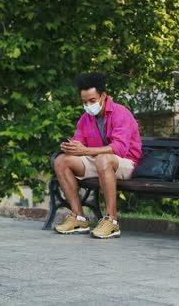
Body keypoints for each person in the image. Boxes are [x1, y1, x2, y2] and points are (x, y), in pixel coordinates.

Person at [53, 72, 142, 238]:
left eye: (92, 101)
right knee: (61, 161)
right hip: (99, 161)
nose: (88, 105)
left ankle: (111, 221)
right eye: (84, 102)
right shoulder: (85, 119)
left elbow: (120, 148)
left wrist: (85, 151)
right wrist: (71, 148)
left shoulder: (120, 113)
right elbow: (79, 146)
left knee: (103, 159)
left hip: (125, 163)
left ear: (103, 96)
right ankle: (79, 218)